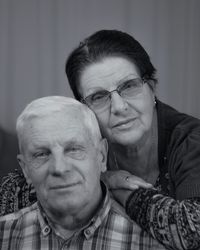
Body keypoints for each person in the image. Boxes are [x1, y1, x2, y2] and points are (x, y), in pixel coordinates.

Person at [65, 29, 200, 250]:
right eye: (98, 97)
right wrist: (103, 179)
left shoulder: (192, 139)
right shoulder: (83, 143)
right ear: (85, 109)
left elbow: (194, 231)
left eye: (129, 86)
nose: (119, 107)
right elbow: (18, 189)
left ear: (152, 87)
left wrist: (124, 192)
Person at [0, 96, 166, 250]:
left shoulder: (149, 243)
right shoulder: (4, 235)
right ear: (25, 169)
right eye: (41, 154)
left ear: (101, 156)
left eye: (73, 149)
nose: (59, 168)